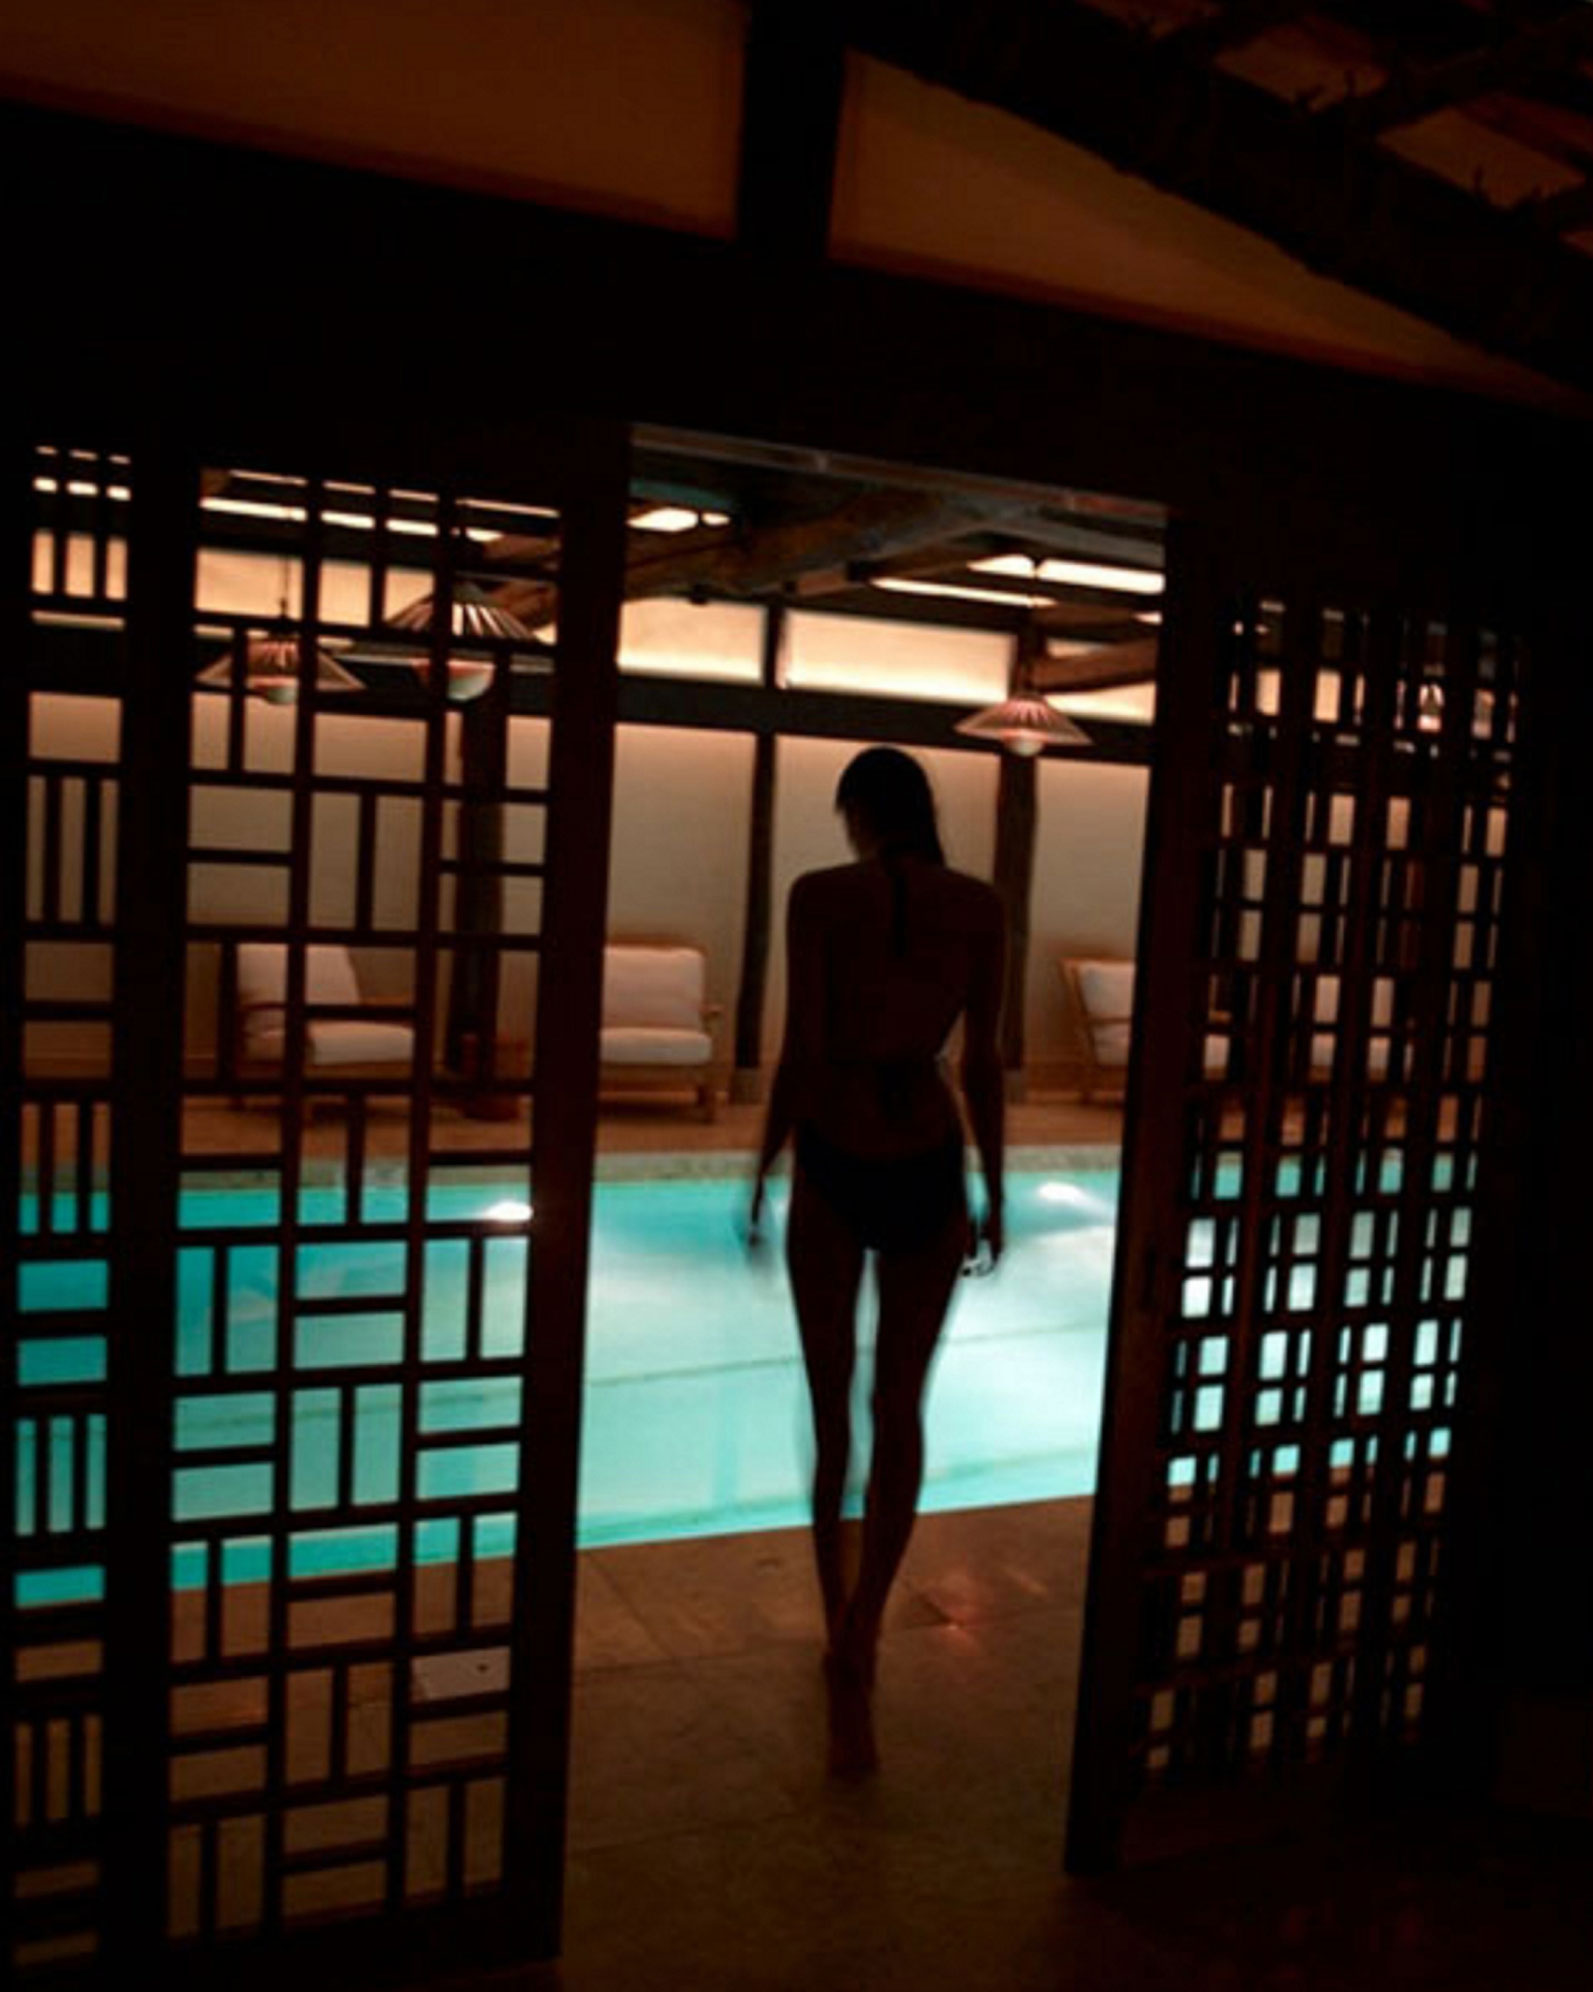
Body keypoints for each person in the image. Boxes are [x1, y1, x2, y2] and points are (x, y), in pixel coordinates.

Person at [749, 746, 1006, 1775]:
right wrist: (998, 1188)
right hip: (930, 1157)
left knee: (831, 1401)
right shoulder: (980, 905)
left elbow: (805, 1047)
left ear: (857, 812)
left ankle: (835, 1624)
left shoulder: (819, 895)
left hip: (838, 1150)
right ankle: (868, 1620)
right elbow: (981, 1055)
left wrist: (762, 1166)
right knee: (901, 1406)